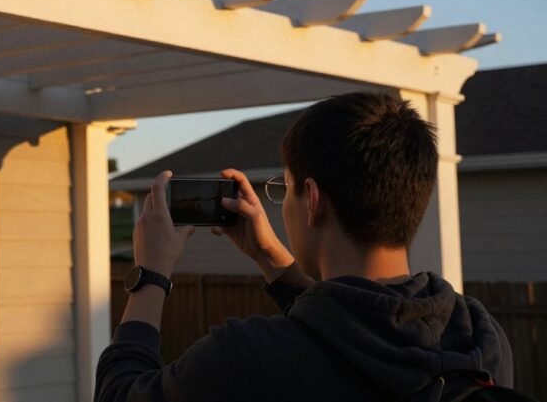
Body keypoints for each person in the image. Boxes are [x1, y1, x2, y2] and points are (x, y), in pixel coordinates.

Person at [95, 92, 514, 402]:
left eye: (287, 188)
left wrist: (150, 275)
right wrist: (270, 257)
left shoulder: (248, 359)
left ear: (311, 200)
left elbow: (121, 394)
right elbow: (358, 332)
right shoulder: (478, 337)